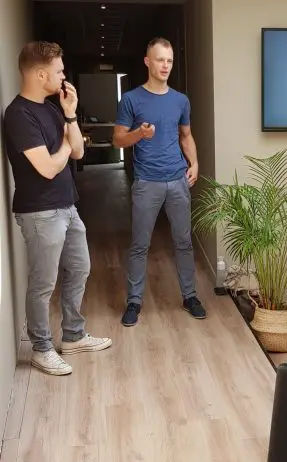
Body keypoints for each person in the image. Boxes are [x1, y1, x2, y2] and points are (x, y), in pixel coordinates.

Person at [4, 41, 112, 376]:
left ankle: (73, 335)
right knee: (43, 284)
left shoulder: (53, 109)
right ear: (40, 74)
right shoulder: (18, 115)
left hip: (67, 206)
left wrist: (70, 114)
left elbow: (78, 151)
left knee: (80, 268)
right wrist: (65, 145)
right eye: (59, 71)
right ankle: (41, 348)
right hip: (40, 212)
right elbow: (48, 168)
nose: (64, 76)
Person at [113, 37, 206, 326]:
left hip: (178, 180)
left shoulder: (180, 100)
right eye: (160, 60)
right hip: (146, 183)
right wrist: (139, 134)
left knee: (183, 242)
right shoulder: (131, 99)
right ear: (147, 62)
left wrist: (194, 163)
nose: (165, 65)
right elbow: (118, 139)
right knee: (140, 245)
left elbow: (186, 136)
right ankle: (134, 301)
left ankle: (190, 296)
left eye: (169, 61)